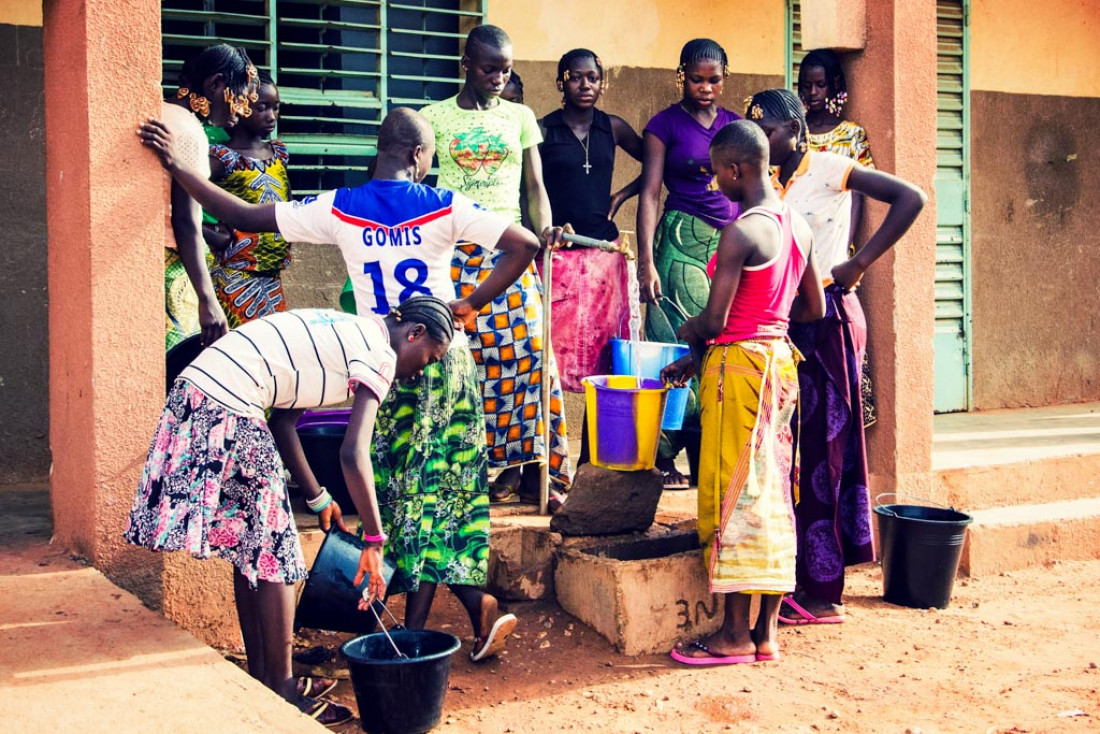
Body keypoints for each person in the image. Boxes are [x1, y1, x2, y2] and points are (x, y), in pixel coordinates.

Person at [139, 107, 538, 661]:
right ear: (419, 156)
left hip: (381, 355)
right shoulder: (446, 204)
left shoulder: (340, 206)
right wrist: (467, 304)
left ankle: (419, 633)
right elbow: (525, 244)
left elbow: (241, 214)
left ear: (380, 151)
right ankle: (442, 622)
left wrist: (178, 168)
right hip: (439, 359)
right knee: (442, 494)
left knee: (397, 497)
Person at [124, 297, 453, 726]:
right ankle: (282, 688)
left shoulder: (349, 333)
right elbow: (354, 454)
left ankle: (263, 677)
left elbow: (283, 422)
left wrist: (318, 498)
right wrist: (374, 539)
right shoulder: (380, 354)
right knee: (276, 552)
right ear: (414, 333)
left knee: (251, 547)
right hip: (229, 402)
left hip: (198, 393)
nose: (421, 371)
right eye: (429, 359)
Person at [744, 88, 926, 625]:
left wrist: (860, 262)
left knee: (828, 454)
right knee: (796, 454)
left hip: (831, 319)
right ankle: (798, 576)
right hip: (792, 324)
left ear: (795, 130)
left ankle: (823, 593)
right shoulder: (769, 184)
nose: (762, 141)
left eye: (768, 131)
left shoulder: (829, 166)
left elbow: (910, 197)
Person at [661, 121, 824, 665]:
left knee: (738, 493)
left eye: (717, 174)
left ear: (736, 169)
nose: (714, 184)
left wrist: (690, 330)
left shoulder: (741, 232)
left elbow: (715, 321)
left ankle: (733, 635)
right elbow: (814, 308)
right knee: (773, 489)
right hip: (778, 365)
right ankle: (766, 633)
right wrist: (759, 325)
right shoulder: (796, 225)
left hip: (739, 373)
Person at [420, 25, 571, 505]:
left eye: (506, 70)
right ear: (466, 64)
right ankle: (466, 469)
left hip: (512, 253)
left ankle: (527, 466)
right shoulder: (433, 118)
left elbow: (535, 187)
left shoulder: (520, 116)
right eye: (489, 69)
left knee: (531, 355)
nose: (499, 78)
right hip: (456, 253)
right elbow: (414, 182)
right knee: (465, 362)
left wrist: (544, 232)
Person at [637, 38, 741, 490]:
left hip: (730, 245)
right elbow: (649, 193)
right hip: (680, 244)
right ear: (682, 76)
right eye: (697, 79)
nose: (705, 87)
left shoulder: (735, 126)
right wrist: (646, 261)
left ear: (724, 78)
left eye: (714, 79)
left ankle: (707, 450)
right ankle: (663, 453)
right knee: (678, 342)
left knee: (723, 342)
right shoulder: (664, 125)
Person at [798, 48, 878, 427]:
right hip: (797, 250)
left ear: (833, 87)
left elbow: (858, 193)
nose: (812, 93)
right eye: (806, 86)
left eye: (820, 85)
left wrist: (849, 246)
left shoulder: (851, 135)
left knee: (837, 334)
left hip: (834, 252)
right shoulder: (793, 133)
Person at [162, 44, 256, 350]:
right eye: (239, 99)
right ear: (215, 84)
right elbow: (186, 221)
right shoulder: (189, 132)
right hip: (172, 269)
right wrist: (207, 300)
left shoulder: (161, 112)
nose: (240, 112)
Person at [204, 70, 293, 328]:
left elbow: (287, 201)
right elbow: (182, 198)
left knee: (274, 342)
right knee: (239, 343)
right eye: (262, 107)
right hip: (234, 276)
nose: (271, 116)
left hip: (272, 276)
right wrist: (212, 233)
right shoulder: (223, 158)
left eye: (275, 107)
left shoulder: (279, 154)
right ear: (239, 106)